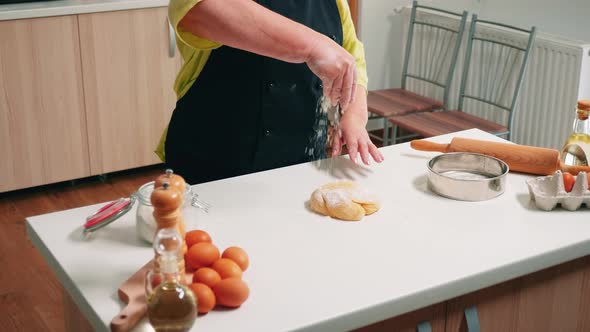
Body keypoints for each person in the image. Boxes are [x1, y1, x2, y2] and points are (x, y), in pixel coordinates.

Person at [156, 0, 384, 185]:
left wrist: (353, 115)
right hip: (215, 167)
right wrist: (314, 46)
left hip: (300, 165)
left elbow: (351, 58)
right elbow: (196, 8)